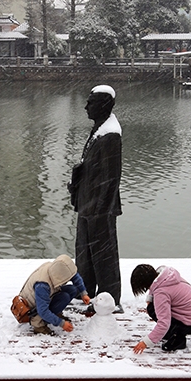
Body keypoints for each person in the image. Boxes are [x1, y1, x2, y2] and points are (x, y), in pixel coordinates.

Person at [68, 84, 122, 310]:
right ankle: (86, 291)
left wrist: (101, 210)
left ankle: (109, 299)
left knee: (104, 255)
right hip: (87, 204)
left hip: (100, 208)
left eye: (90, 103)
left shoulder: (110, 134)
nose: (85, 107)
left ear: (104, 106)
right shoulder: (100, 129)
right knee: (84, 252)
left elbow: (111, 178)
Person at [131, 264, 191, 353]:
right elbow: (155, 285)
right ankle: (171, 331)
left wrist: (146, 342)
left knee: (152, 310)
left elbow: (164, 322)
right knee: (153, 307)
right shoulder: (168, 277)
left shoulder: (161, 292)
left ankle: (178, 339)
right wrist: (150, 298)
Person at [18, 254, 91, 336]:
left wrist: (83, 293)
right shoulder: (42, 285)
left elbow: (74, 276)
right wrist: (61, 323)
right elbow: (42, 311)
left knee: (72, 290)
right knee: (64, 297)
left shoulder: (55, 268)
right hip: (33, 308)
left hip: (46, 295)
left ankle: (54, 313)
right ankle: (39, 325)